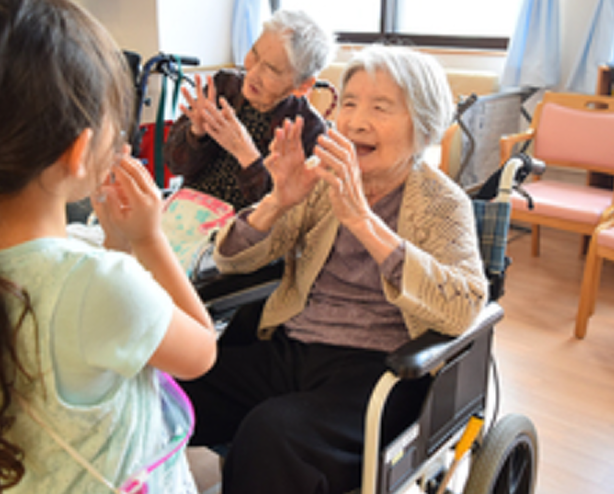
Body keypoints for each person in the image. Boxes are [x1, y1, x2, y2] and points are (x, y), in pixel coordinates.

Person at [0, 0, 217, 493]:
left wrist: (117, 245)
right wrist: (148, 239)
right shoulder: (102, 284)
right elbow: (201, 352)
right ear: (78, 151)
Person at [182, 45, 489, 494]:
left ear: (423, 125)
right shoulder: (322, 180)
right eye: (349, 104)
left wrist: (363, 222)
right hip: (293, 345)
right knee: (172, 388)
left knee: (271, 435)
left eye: (380, 107)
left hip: (380, 372)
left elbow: (464, 307)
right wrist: (276, 201)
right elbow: (233, 260)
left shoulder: (442, 203)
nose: (356, 121)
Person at [163, 9, 335, 211]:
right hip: (188, 213)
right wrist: (196, 134)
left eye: (271, 70)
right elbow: (174, 165)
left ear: (303, 85)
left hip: (245, 232)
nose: (252, 73)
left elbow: (283, 211)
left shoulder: (308, 130)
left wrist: (247, 155)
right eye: (254, 54)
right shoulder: (224, 86)